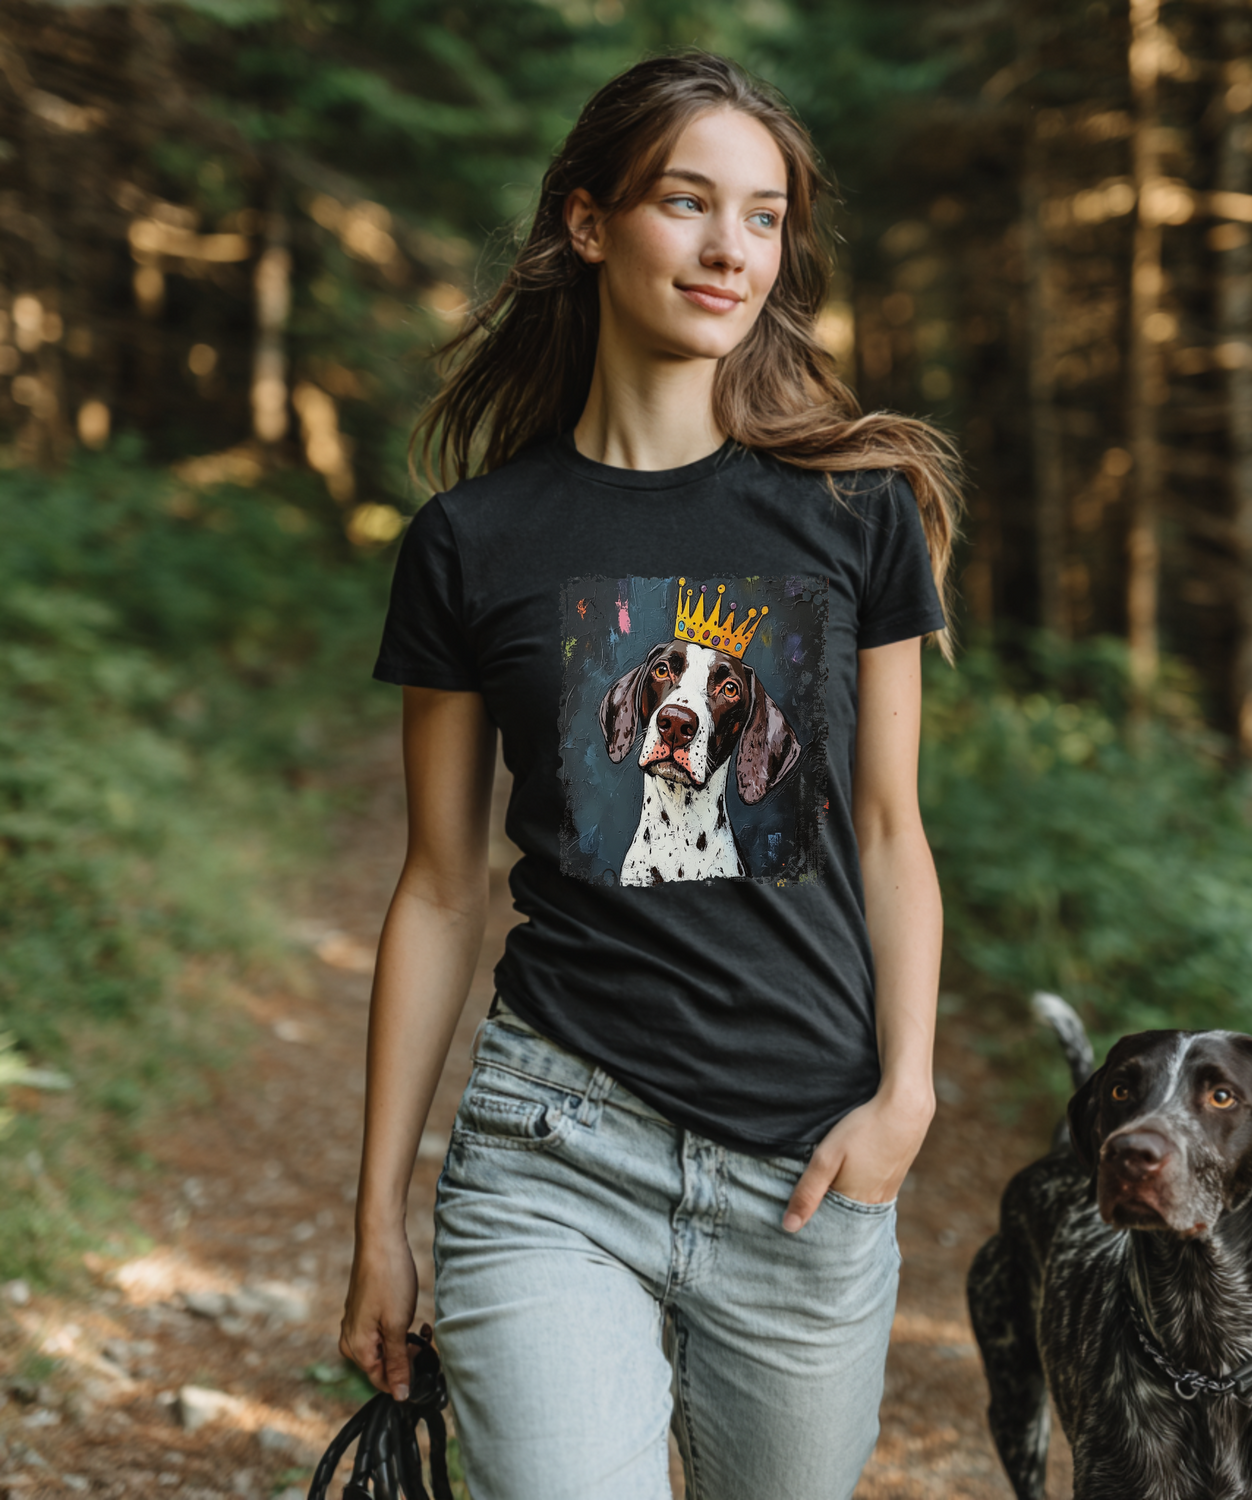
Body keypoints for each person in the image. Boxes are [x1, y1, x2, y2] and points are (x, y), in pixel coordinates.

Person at [338, 50, 961, 1500]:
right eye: (688, 203)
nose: (731, 248)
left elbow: (888, 827)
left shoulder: (856, 514)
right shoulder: (472, 543)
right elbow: (437, 890)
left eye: (762, 217)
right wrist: (378, 1212)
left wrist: (909, 1096)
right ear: (587, 223)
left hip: (807, 1172)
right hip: (555, 1143)